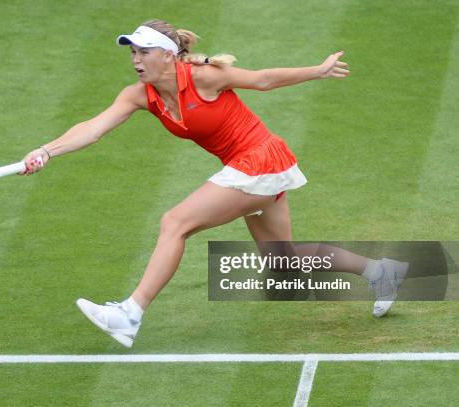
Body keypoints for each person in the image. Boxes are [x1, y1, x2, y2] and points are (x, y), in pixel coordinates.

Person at [21, 20, 408, 348]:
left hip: (259, 160)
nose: (136, 60)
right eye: (132, 53)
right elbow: (93, 128)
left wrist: (317, 70)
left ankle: (130, 314)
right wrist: (46, 150)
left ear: (167, 55)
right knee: (282, 262)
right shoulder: (140, 96)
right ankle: (379, 272)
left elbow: (263, 80)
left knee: (175, 222)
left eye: (143, 52)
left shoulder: (203, 77)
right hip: (253, 169)